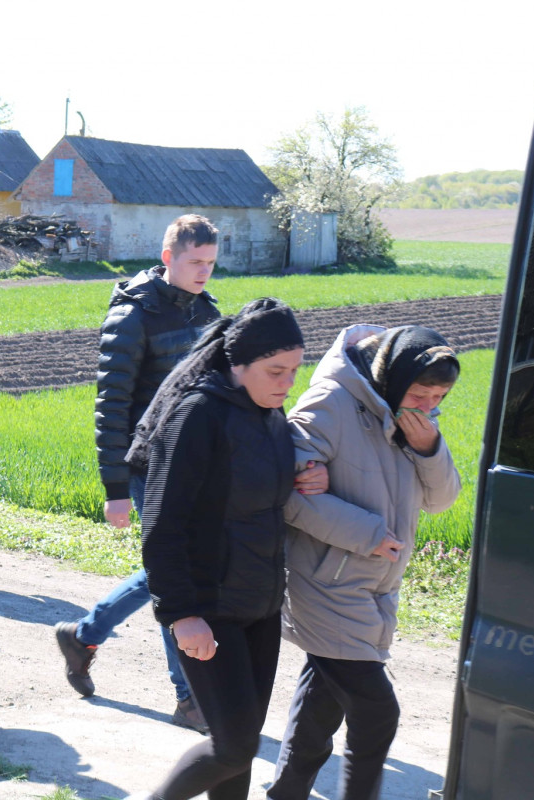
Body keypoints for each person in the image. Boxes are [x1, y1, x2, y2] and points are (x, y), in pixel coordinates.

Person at [128, 298, 314, 800]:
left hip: (260, 605)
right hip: (210, 608)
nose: (286, 382)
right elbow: (162, 526)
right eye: (276, 370)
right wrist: (181, 614)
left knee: (243, 745)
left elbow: (256, 492)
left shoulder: (272, 417)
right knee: (232, 748)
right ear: (238, 365)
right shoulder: (199, 415)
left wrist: (303, 476)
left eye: (295, 370)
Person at [268, 325, 461, 800]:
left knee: (321, 707)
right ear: (392, 379)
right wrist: (369, 534)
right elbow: (284, 495)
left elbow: (441, 500)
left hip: (374, 584)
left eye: (439, 396)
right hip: (325, 582)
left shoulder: (411, 420)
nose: (427, 404)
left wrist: (428, 448)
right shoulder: (330, 403)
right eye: (419, 392)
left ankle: (284, 794)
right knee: (377, 712)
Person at [54, 214, 220, 733]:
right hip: (148, 466)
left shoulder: (208, 310)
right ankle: (188, 697)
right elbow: (112, 407)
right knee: (179, 575)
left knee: (171, 572)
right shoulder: (132, 317)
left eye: (211, 264)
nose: (204, 273)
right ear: (168, 257)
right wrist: (115, 490)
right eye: (195, 263)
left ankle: (83, 635)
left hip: (195, 466)